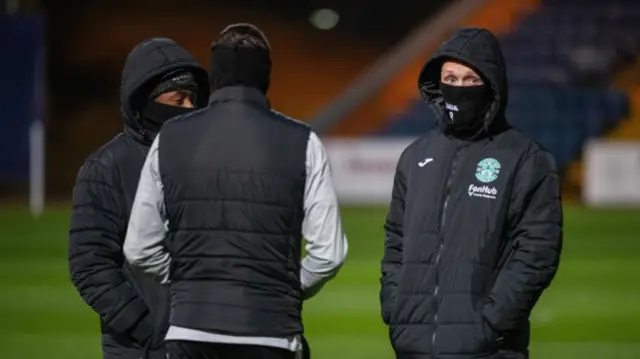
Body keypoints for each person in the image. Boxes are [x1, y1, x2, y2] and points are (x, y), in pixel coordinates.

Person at [123, 23, 348, 359]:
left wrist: (190, 283)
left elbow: (139, 247)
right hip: (270, 333)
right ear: (265, 77)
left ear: (215, 78)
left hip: (189, 331)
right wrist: (282, 289)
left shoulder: (169, 138)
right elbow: (328, 254)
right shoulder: (304, 142)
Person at [380, 27, 563, 359]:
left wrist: (492, 324)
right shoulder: (415, 156)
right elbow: (396, 240)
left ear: (492, 86)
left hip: (488, 350)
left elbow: (537, 252)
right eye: (450, 77)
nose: (459, 88)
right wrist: (396, 309)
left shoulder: (526, 158)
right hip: (413, 348)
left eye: (470, 80)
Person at [68, 38, 209, 359]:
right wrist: (149, 330)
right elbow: (89, 265)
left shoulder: (207, 159)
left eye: (193, 99)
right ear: (146, 101)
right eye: (179, 99)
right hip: (141, 350)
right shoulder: (105, 168)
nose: (189, 108)